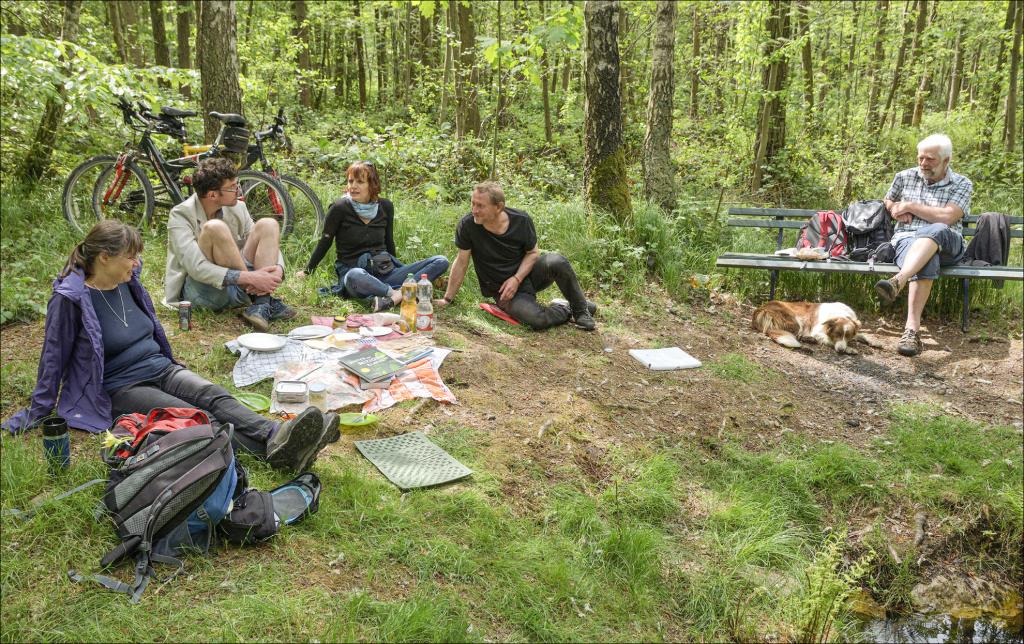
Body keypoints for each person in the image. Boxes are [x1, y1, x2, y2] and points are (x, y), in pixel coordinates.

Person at [2, 221, 338, 473]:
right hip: (122, 386)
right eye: (130, 257)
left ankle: (278, 433)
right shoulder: (70, 300)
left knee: (214, 395)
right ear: (104, 258)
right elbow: (53, 358)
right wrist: (37, 409)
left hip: (160, 367)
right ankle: (279, 455)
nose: (136, 264)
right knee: (197, 417)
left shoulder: (127, 283)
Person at [436, 181, 597, 331]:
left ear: (498, 207)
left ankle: (581, 311)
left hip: (527, 275)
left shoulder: (521, 220)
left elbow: (533, 253)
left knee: (556, 261)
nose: (474, 210)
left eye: (480, 206)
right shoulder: (468, 225)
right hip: (503, 290)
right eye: (473, 203)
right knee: (537, 320)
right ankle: (565, 307)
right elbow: (461, 262)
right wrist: (447, 299)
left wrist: (517, 278)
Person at [295, 161, 450, 311]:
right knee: (354, 276)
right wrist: (308, 271)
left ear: (372, 185)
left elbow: (389, 242)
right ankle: (398, 294)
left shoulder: (386, 206)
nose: (353, 186)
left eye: (360, 182)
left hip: (385, 271)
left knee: (441, 261)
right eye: (350, 181)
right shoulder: (339, 208)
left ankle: (394, 294)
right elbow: (325, 241)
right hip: (357, 275)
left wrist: (400, 270)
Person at [163, 157, 295, 331]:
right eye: (232, 187)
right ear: (212, 195)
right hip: (203, 292)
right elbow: (196, 268)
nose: (238, 190)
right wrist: (252, 278)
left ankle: (261, 304)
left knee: (268, 224)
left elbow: (263, 239)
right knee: (214, 228)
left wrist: (278, 267)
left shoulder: (238, 207)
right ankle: (259, 298)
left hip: (237, 287)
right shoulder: (180, 215)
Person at [874, 134, 972, 357]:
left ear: (946, 160)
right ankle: (911, 330)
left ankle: (900, 279)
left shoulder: (962, 183)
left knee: (936, 229)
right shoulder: (903, 177)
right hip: (907, 242)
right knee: (928, 257)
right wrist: (893, 209)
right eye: (920, 158)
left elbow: (947, 217)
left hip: (949, 242)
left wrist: (909, 205)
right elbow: (888, 201)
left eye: (930, 159)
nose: (923, 164)